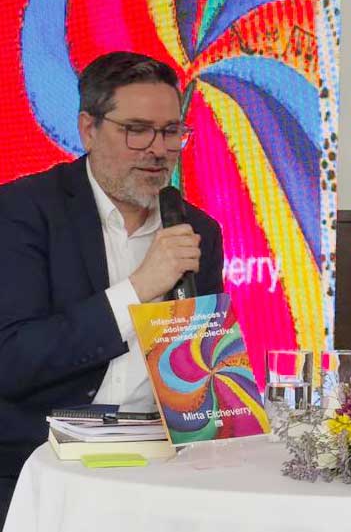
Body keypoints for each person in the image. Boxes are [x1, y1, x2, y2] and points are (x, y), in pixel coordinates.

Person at [0, 52, 224, 523]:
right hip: (42, 466)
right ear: (88, 129)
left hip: (161, 468)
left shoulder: (198, 228)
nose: (158, 149)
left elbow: (197, 373)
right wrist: (139, 289)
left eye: (171, 132)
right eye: (136, 130)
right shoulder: (23, 211)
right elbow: (12, 359)